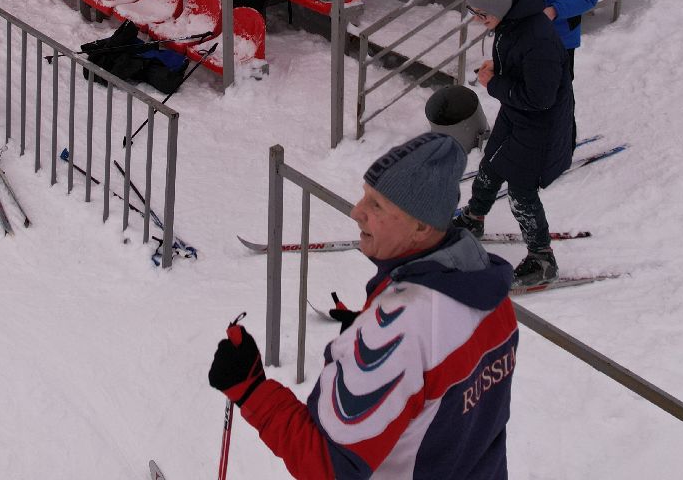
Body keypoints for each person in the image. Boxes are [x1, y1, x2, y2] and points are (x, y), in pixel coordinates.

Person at [207, 133, 518, 479]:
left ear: (421, 226)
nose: (357, 211)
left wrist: (252, 391)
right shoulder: (486, 290)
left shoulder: (400, 327)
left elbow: (328, 465)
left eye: (377, 205)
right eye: (365, 196)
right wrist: (366, 338)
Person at [452, 0, 575, 287]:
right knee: (491, 163)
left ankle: (542, 258)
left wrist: (494, 84)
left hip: (540, 126)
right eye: (475, 13)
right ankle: (474, 218)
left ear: (503, 6)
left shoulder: (538, 38)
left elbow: (541, 98)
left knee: (521, 192)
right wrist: (501, 70)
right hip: (515, 113)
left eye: (483, 14)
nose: (479, 20)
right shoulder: (510, 22)